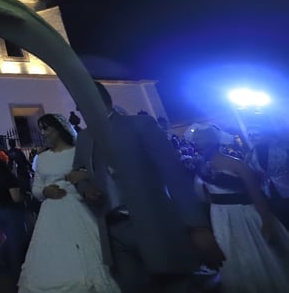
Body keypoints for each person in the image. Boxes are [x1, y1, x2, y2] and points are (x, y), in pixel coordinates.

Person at [69, 83, 226, 293]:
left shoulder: (139, 125)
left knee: (176, 284)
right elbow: (78, 171)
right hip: (112, 229)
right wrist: (85, 187)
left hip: (153, 222)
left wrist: (197, 226)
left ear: (96, 100)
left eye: (80, 103)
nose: (78, 110)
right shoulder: (84, 138)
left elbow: (174, 175)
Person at [17, 113, 120, 293]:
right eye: (41, 129)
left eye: (46, 128)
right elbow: (36, 187)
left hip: (77, 207)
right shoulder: (42, 158)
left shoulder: (78, 151)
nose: (43, 133)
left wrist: (84, 177)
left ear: (59, 129)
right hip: (51, 214)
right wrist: (44, 191)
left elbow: (101, 171)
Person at [189, 124, 289, 293]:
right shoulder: (200, 166)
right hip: (220, 216)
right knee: (233, 254)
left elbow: (255, 194)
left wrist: (266, 221)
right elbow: (206, 196)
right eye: (196, 141)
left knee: (260, 253)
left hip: (244, 214)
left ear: (214, 142)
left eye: (202, 141)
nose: (198, 144)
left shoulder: (236, 164)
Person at [0, 149, 27, 283]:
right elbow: (15, 198)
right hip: (12, 212)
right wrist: (25, 197)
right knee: (16, 244)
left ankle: (7, 266)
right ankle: (18, 275)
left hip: (1, 211)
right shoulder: (9, 177)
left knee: (10, 242)